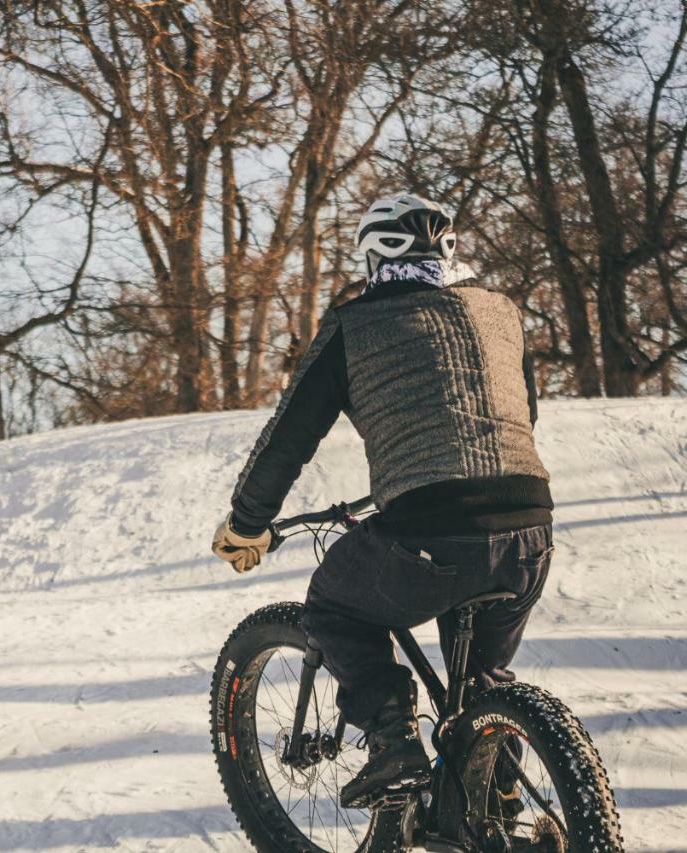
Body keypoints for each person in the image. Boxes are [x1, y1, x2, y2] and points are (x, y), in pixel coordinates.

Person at [211, 194, 552, 810]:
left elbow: (289, 439)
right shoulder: (502, 311)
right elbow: (520, 413)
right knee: (479, 689)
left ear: (373, 257)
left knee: (333, 606)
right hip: (529, 527)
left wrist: (246, 524)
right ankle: (497, 801)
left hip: (430, 532)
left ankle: (393, 741)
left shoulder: (355, 324)